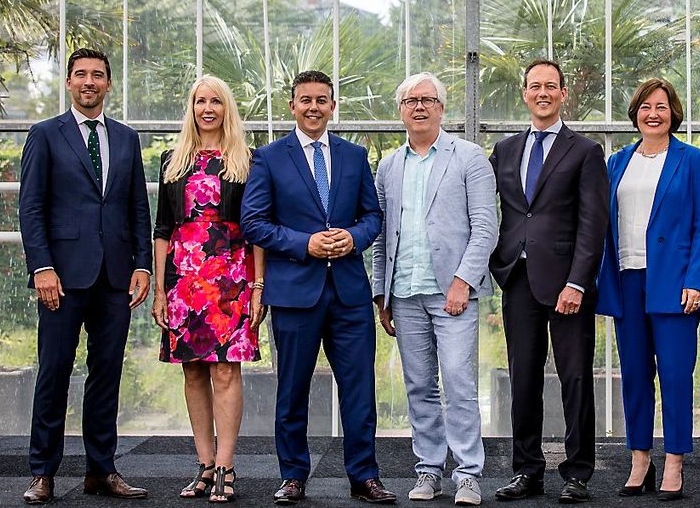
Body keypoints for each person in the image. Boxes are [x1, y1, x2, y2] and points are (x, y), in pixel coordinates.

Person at [240, 70, 395, 505]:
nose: (313, 107)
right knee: (292, 389)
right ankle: (293, 475)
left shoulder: (353, 155)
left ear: (332, 106)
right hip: (294, 292)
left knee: (360, 389)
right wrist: (303, 243)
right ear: (292, 106)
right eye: (305, 100)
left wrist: (355, 237)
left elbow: (372, 216)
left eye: (321, 100)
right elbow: (253, 222)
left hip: (348, 293)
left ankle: (364, 475)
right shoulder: (269, 158)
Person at [18, 48, 152, 504]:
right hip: (61, 277)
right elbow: (31, 208)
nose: (89, 81)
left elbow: (137, 207)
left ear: (109, 84)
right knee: (54, 371)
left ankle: (101, 470)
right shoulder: (45, 135)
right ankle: (43, 472)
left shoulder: (126, 138)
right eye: (81, 75)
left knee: (106, 374)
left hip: (115, 276)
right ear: (69, 82)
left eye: (98, 75)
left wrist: (142, 264)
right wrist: (42, 267)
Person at [372, 72, 498, 506]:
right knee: (419, 385)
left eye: (428, 99)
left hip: (453, 294)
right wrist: (380, 295)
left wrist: (463, 280)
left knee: (460, 382)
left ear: (442, 109)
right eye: (411, 100)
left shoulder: (469, 157)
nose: (419, 107)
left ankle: (467, 474)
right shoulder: (388, 165)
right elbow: (381, 235)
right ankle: (428, 470)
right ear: (401, 110)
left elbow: (485, 227)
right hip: (404, 293)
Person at [489, 59, 609, 504]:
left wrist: (578, 282)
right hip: (518, 278)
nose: (543, 93)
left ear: (562, 94)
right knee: (523, 378)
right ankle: (527, 471)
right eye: (535, 86)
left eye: (551, 86)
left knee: (575, 377)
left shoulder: (584, 150)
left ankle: (577, 473)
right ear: (525, 93)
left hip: (566, 284)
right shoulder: (504, 149)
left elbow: (592, 223)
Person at [595, 78, 700, 501]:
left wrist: (698, 280)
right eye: (646, 106)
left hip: (675, 283)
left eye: (661, 106)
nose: (653, 113)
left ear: (673, 113)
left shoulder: (692, 159)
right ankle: (640, 459)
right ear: (636, 113)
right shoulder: (617, 161)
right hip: (628, 278)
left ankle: (676, 461)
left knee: (677, 376)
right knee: (635, 377)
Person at [152, 75, 267, 502]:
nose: (207, 109)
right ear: (192, 107)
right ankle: (202, 465)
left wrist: (258, 286)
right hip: (184, 276)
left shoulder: (248, 160)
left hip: (231, 275)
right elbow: (162, 229)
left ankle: (226, 466)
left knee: (225, 368)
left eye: (215, 101)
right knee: (194, 369)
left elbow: (256, 229)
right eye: (200, 101)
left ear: (226, 108)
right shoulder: (171, 160)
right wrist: (162, 288)